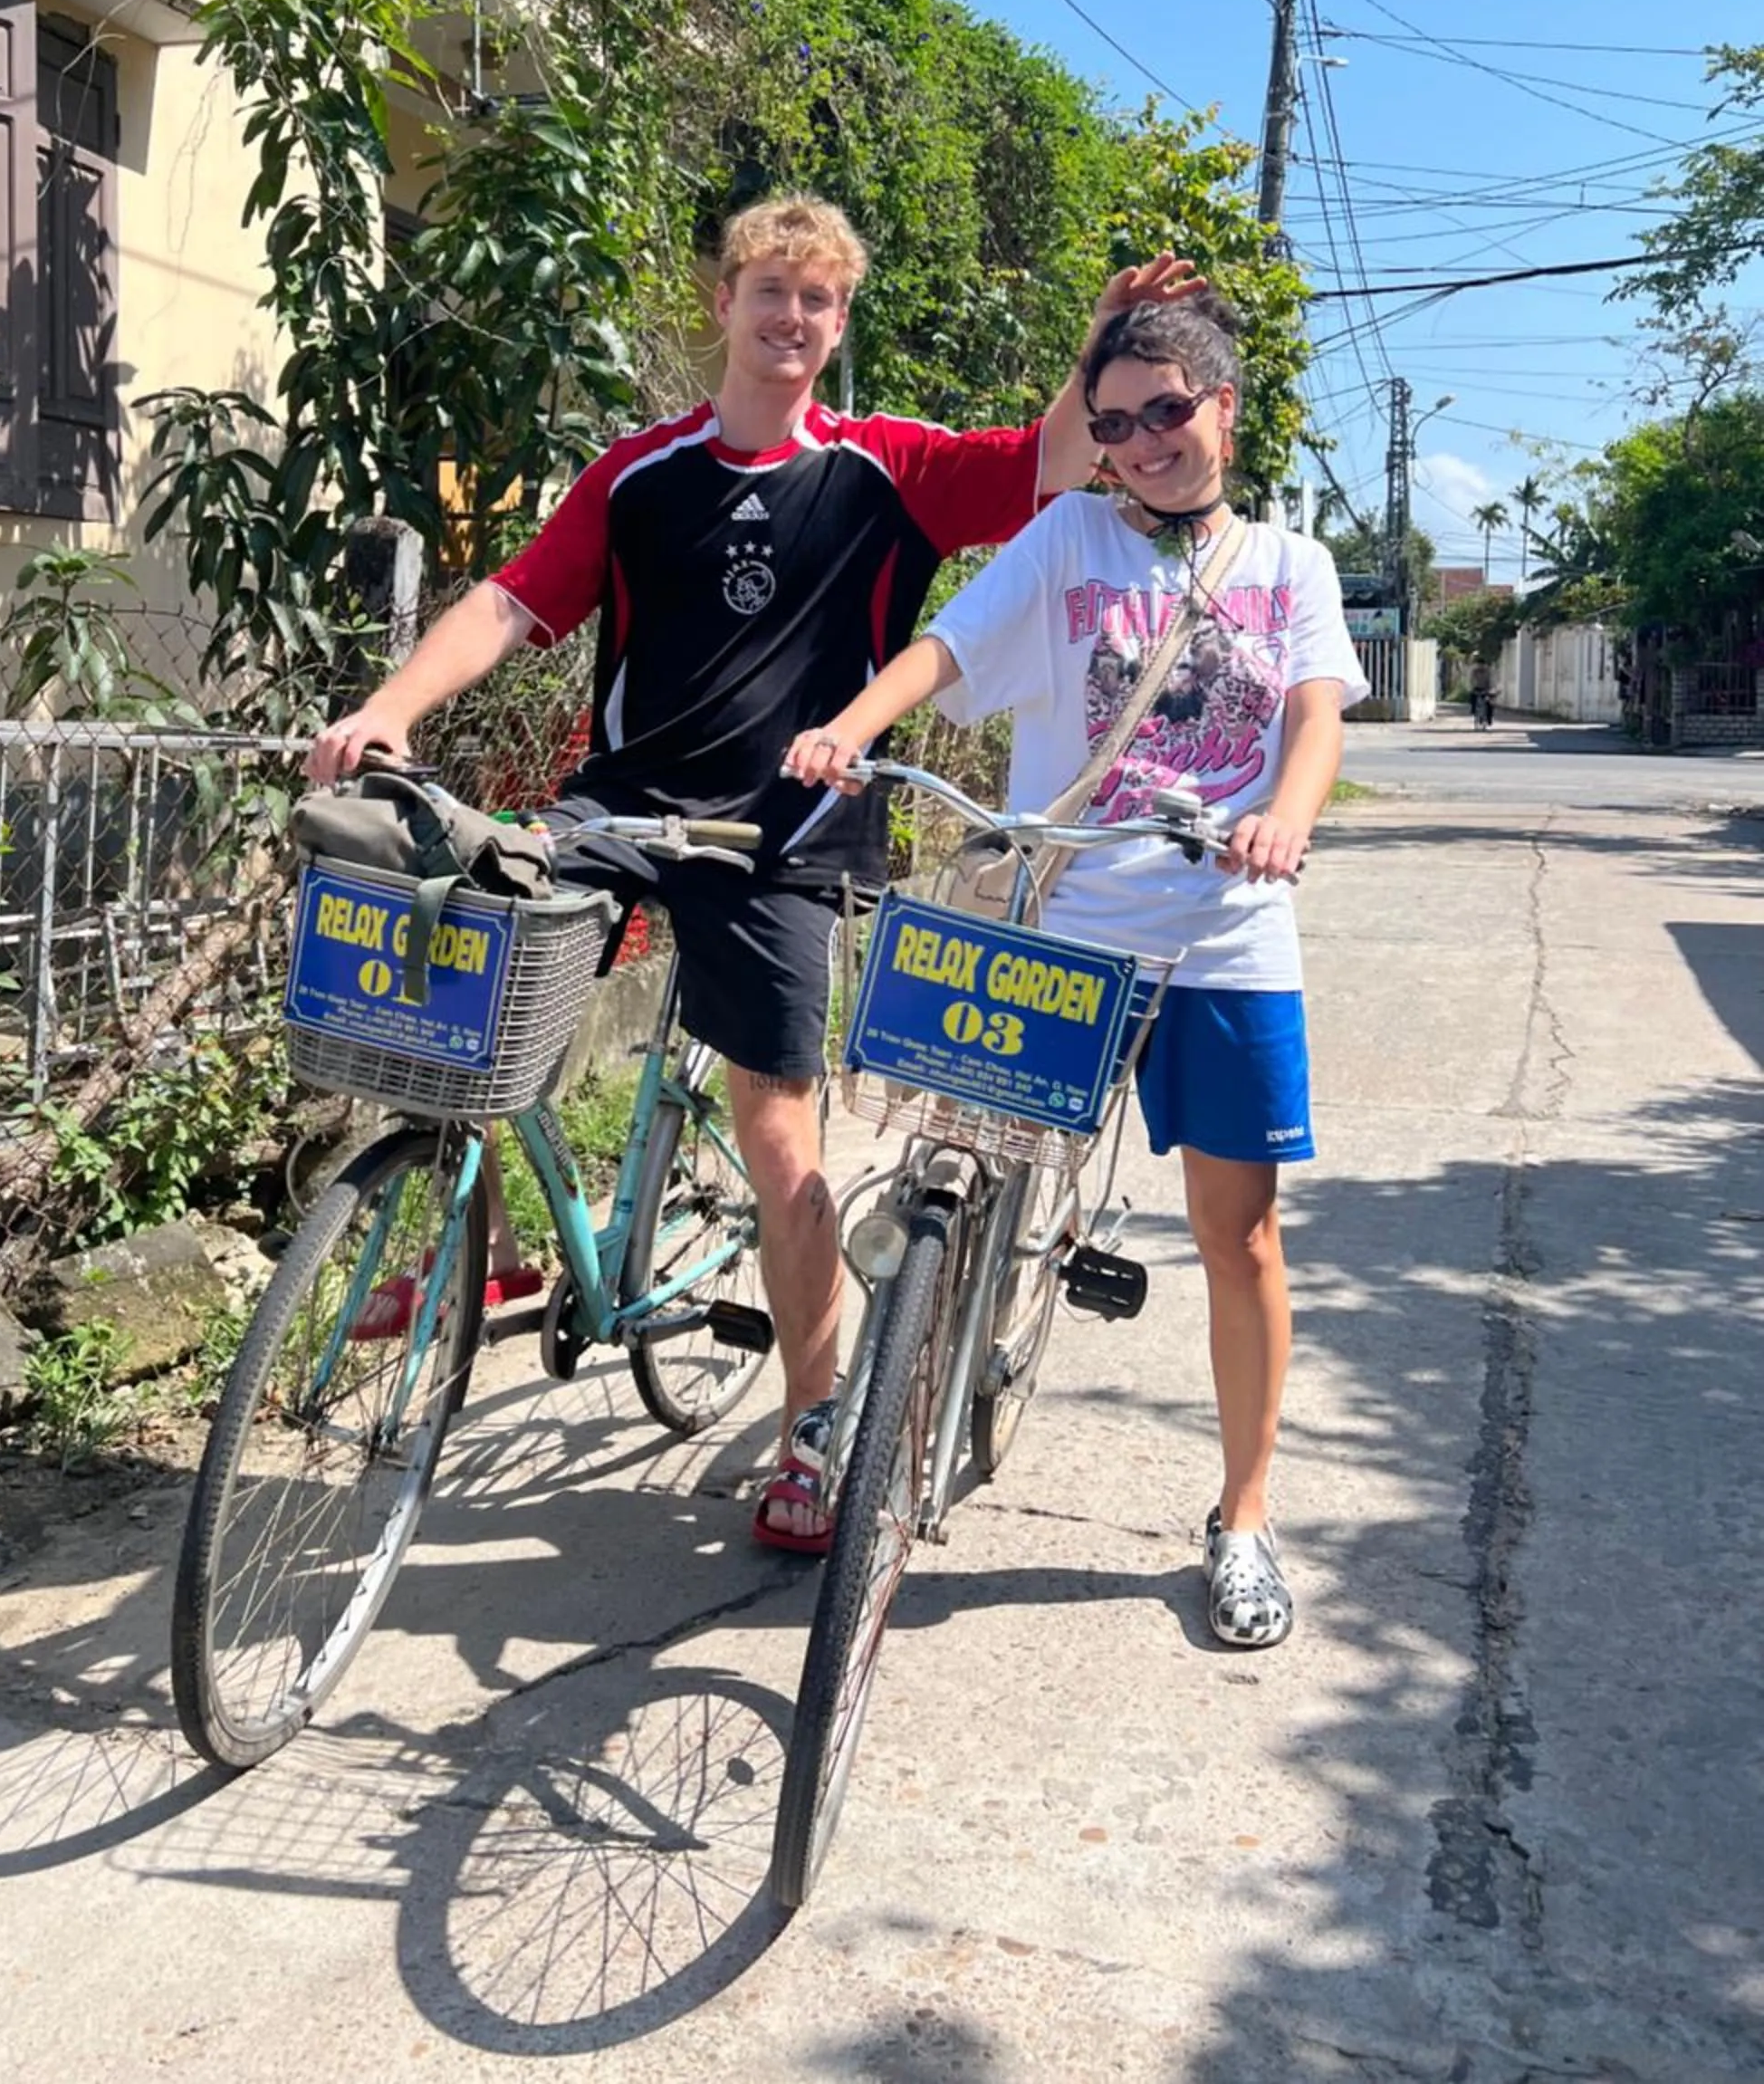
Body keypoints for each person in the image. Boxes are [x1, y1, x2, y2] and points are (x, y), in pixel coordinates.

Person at [306, 194, 1199, 1551]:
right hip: (617, 811)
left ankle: (808, 1426)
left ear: (838, 327)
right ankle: (480, 1251)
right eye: (770, 293)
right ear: (723, 304)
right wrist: (390, 707)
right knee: (469, 996)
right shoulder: (638, 471)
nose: (793, 321)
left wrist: (1096, 352)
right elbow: (511, 598)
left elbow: (1044, 467)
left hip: (781, 835)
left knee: (782, 1138)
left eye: (819, 303)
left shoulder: (887, 466)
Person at [786, 293, 1366, 1644]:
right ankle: (889, 1419)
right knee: (955, 1173)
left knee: (1240, 1235)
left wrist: (1286, 816)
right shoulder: (1066, 538)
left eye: (1165, 411)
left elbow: (1312, 717)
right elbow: (949, 647)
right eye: (1111, 427)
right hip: (1062, 928)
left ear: (1222, 407)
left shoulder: (1291, 565)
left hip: (1223, 938)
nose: (1139, 445)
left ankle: (1242, 1516)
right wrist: (851, 723)